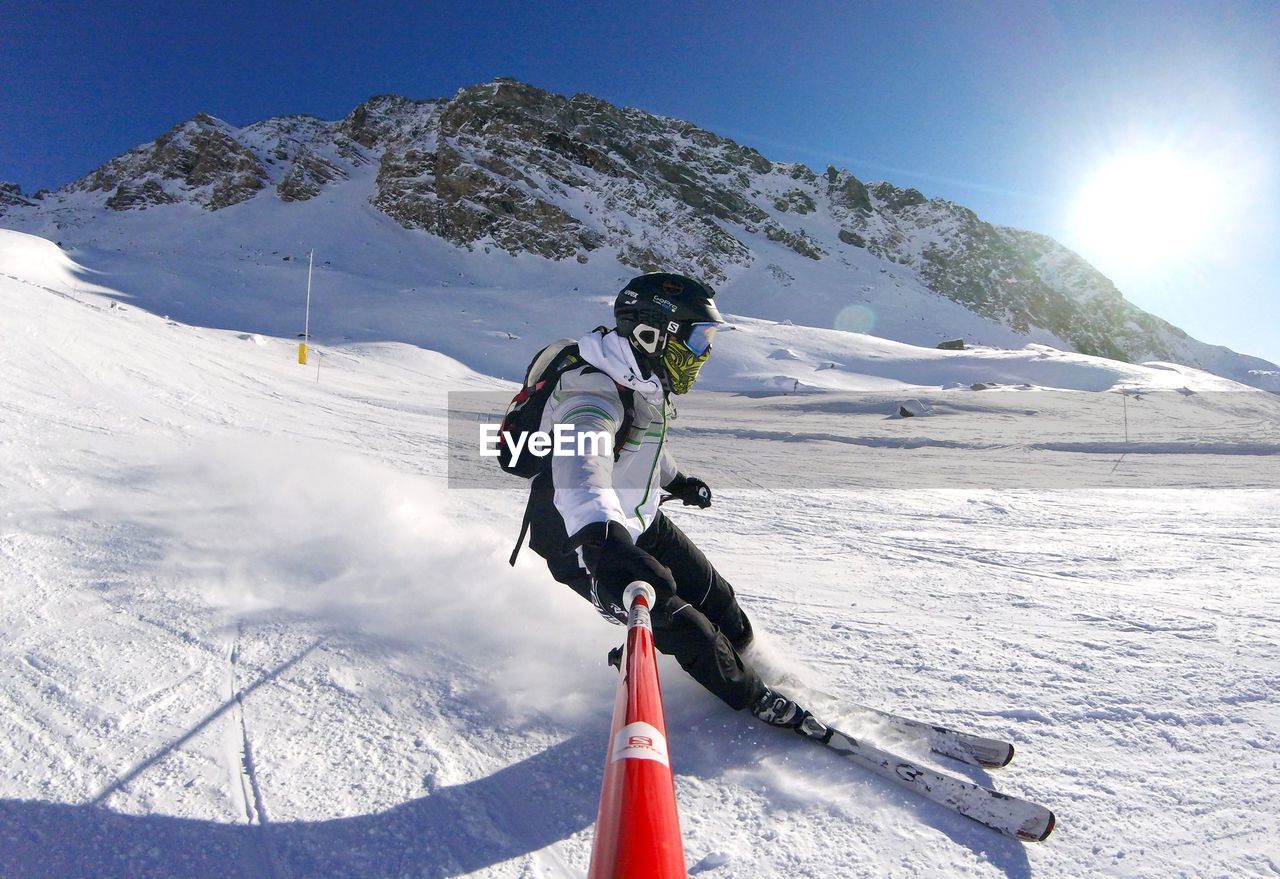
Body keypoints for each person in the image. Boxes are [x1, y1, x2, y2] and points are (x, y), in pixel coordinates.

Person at [521, 272, 809, 728]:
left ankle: (754, 661)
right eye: (698, 338)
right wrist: (604, 541)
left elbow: (642, 444)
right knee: (682, 623)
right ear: (653, 333)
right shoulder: (590, 391)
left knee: (717, 596)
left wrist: (676, 481)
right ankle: (755, 700)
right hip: (583, 540)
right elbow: (583, 465)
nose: (706, 352)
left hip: (638, 521)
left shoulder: (642, 379)